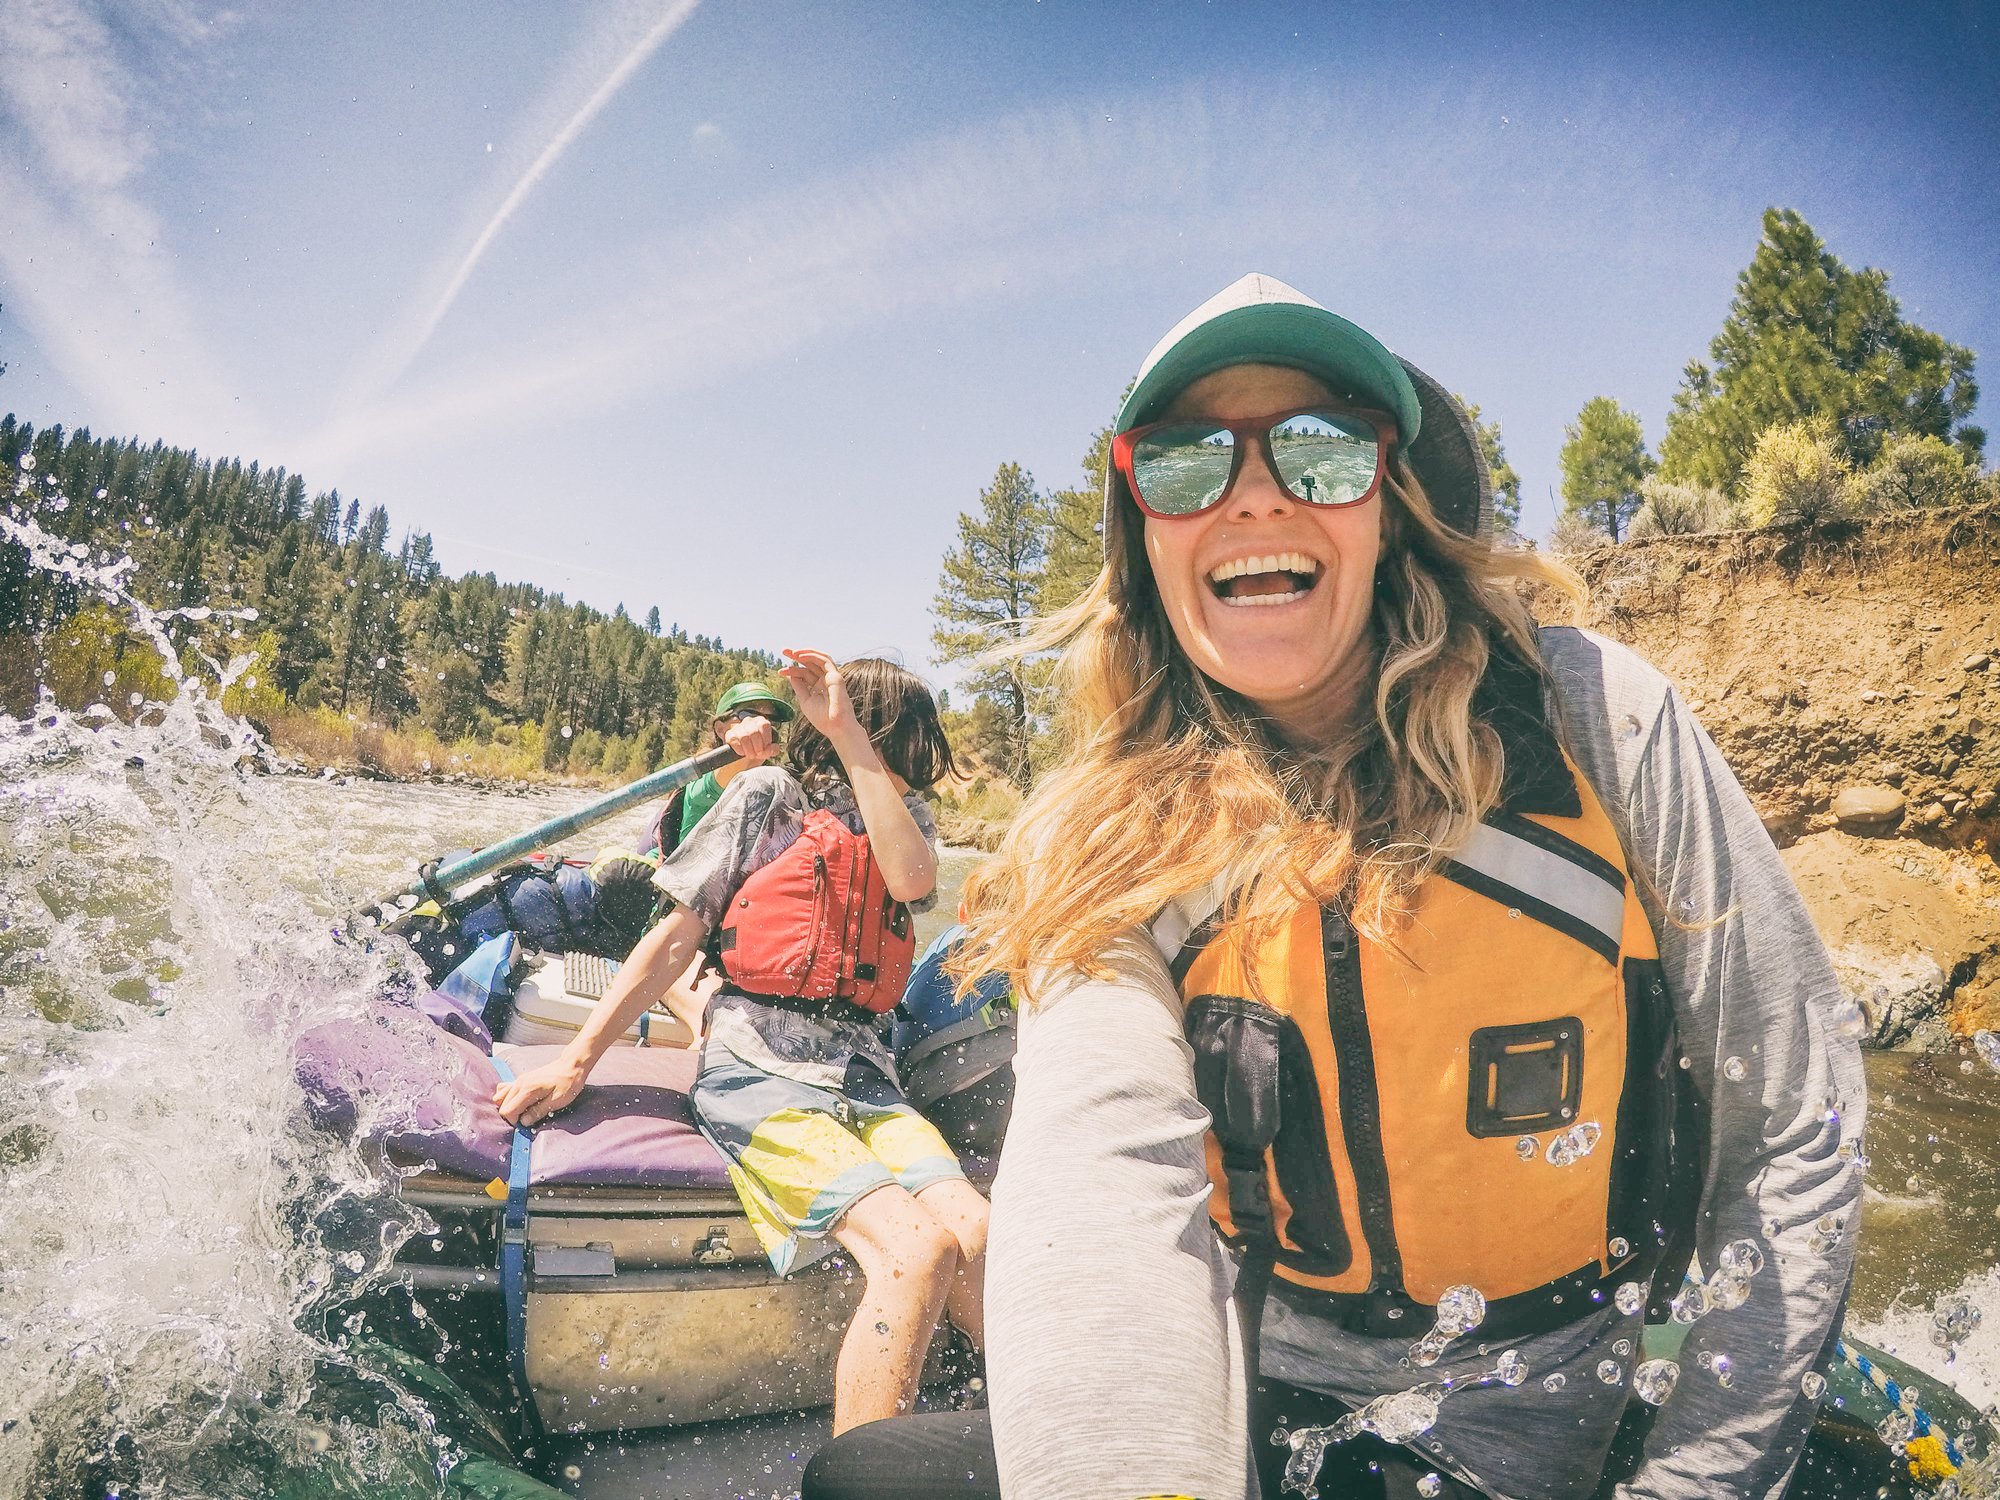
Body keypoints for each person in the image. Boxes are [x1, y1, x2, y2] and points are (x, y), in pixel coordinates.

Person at [800, 275, 1863, 1500]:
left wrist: (1700, 1479)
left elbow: (1794, 1115)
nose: (1251, 490)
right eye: (1187, 462)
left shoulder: (1599, 723)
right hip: (1256, 1395)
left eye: (1318, 449)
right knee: (869, 1480)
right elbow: (1104, 1181)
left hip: (1530, 1421)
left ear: (1389, 508)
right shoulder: (1097, 841)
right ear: (1145, 539)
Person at [494, 650, 989, 1436]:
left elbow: (914, 883)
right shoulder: (767, 796)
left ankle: (1021, 1440)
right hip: (758, 1073)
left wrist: (854, 745)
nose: (922, 760)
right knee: (918, 1250)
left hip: (866, 1078)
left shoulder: (906, 818)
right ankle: (865, 1481)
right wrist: (574, 1060)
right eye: (913, 737)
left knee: (978, 1233)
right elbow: (673, 938)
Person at [655, 680, 796, 856]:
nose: (764, 724)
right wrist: (739, 749)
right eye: (748, 714)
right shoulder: (700, 778)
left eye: (772, 720)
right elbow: (715, 784)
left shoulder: (776, 782)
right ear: (720, 729)